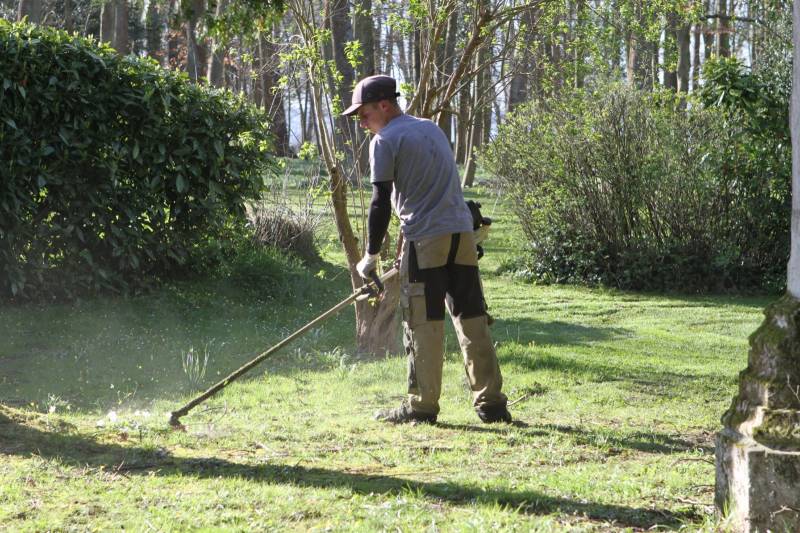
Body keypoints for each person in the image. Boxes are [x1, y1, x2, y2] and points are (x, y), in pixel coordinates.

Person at [343, 75, 512, 425]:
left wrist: (370, 257)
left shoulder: (385, 140)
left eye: (363, 113)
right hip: (462, 234)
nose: (361, 122)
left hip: (426, 240)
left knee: (424, 323)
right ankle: (492, 405)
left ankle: (421, 407)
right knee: (472, 320)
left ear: (384, 106)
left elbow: (379, 202)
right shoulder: (430, 128)